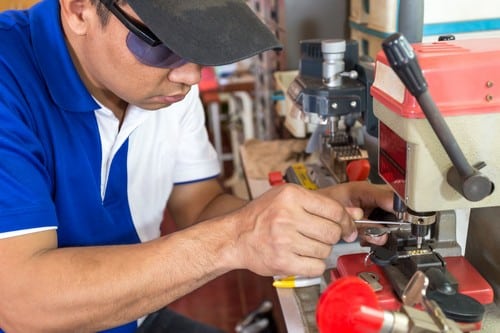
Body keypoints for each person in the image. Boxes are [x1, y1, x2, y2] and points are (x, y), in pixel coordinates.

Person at [0, 0, 393, 332]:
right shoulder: (8, 78)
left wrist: (309, 212)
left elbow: (199, 206)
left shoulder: (165, 87)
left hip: (133, 317)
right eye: (162, 44)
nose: (191, 76)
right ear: (80, 9)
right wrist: (234, 238)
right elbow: (21, 303)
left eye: (200, 44)